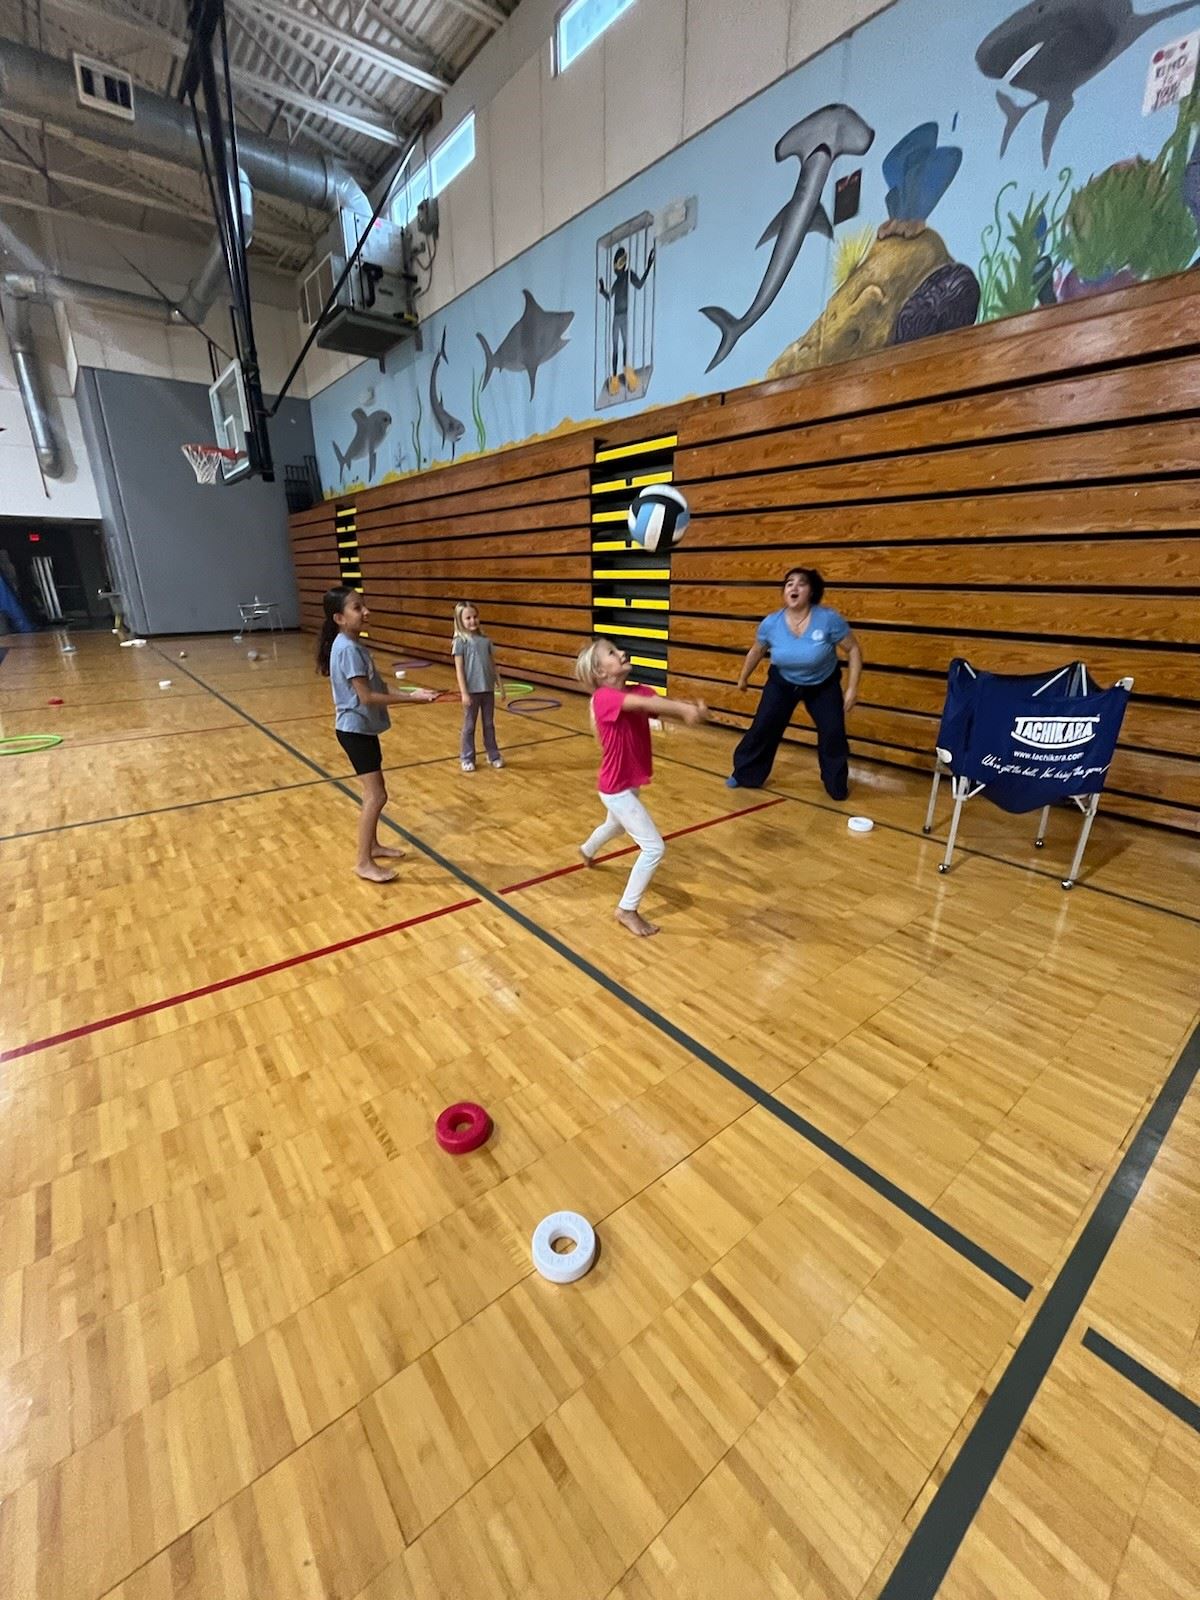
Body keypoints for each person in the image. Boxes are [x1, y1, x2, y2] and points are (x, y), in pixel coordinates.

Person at [575, 638, 707, 938]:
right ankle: (627, 909)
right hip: (615, 788)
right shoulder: (604, 698)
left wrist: (688, 711)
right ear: (600, 671)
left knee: (615, 826)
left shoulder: (639, 691)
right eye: (612, 652)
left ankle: (586, 850)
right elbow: (645, 704)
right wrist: (684, 709)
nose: (622, 652)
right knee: (653, 847)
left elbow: (653, 704)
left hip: (626, 784)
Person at [317, 586, 436, 884]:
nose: (366, 611)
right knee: (376, 795)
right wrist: (413, 700)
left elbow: (380, 689)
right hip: (354, 730)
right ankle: (363, 862)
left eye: (364, 605)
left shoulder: (354, 647)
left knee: (376, 792)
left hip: (362, 729)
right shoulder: (348, 650)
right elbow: (367, 697)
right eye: (357, 607)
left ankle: (372, 845)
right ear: (339, 618)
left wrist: (414, 692)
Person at [727, 566, 863, 798]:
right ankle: (744, 773)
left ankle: (836, 785)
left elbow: (853, 650)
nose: (794, 587)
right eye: (789, 583)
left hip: (823, 684)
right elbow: (757, 650)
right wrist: (743, 677)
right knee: (763, 727)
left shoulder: (828, 619)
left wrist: (852, 688)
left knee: (833, 733)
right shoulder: (771, 623)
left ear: (811, 592)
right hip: (782, 683)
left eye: (801, 583)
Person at [452, 601, 506, 773]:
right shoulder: (460, 642)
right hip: (472, 692)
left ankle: (493, 754)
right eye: (468, 618)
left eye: (475, 617)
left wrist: (500, 686)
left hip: (487, 689)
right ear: (460, 621)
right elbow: (459, 669)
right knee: (469, 725)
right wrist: (464, 693)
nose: (472, 621)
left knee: (489, 724)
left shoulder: (485, 640)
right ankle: (467, 757)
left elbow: (493, 664)